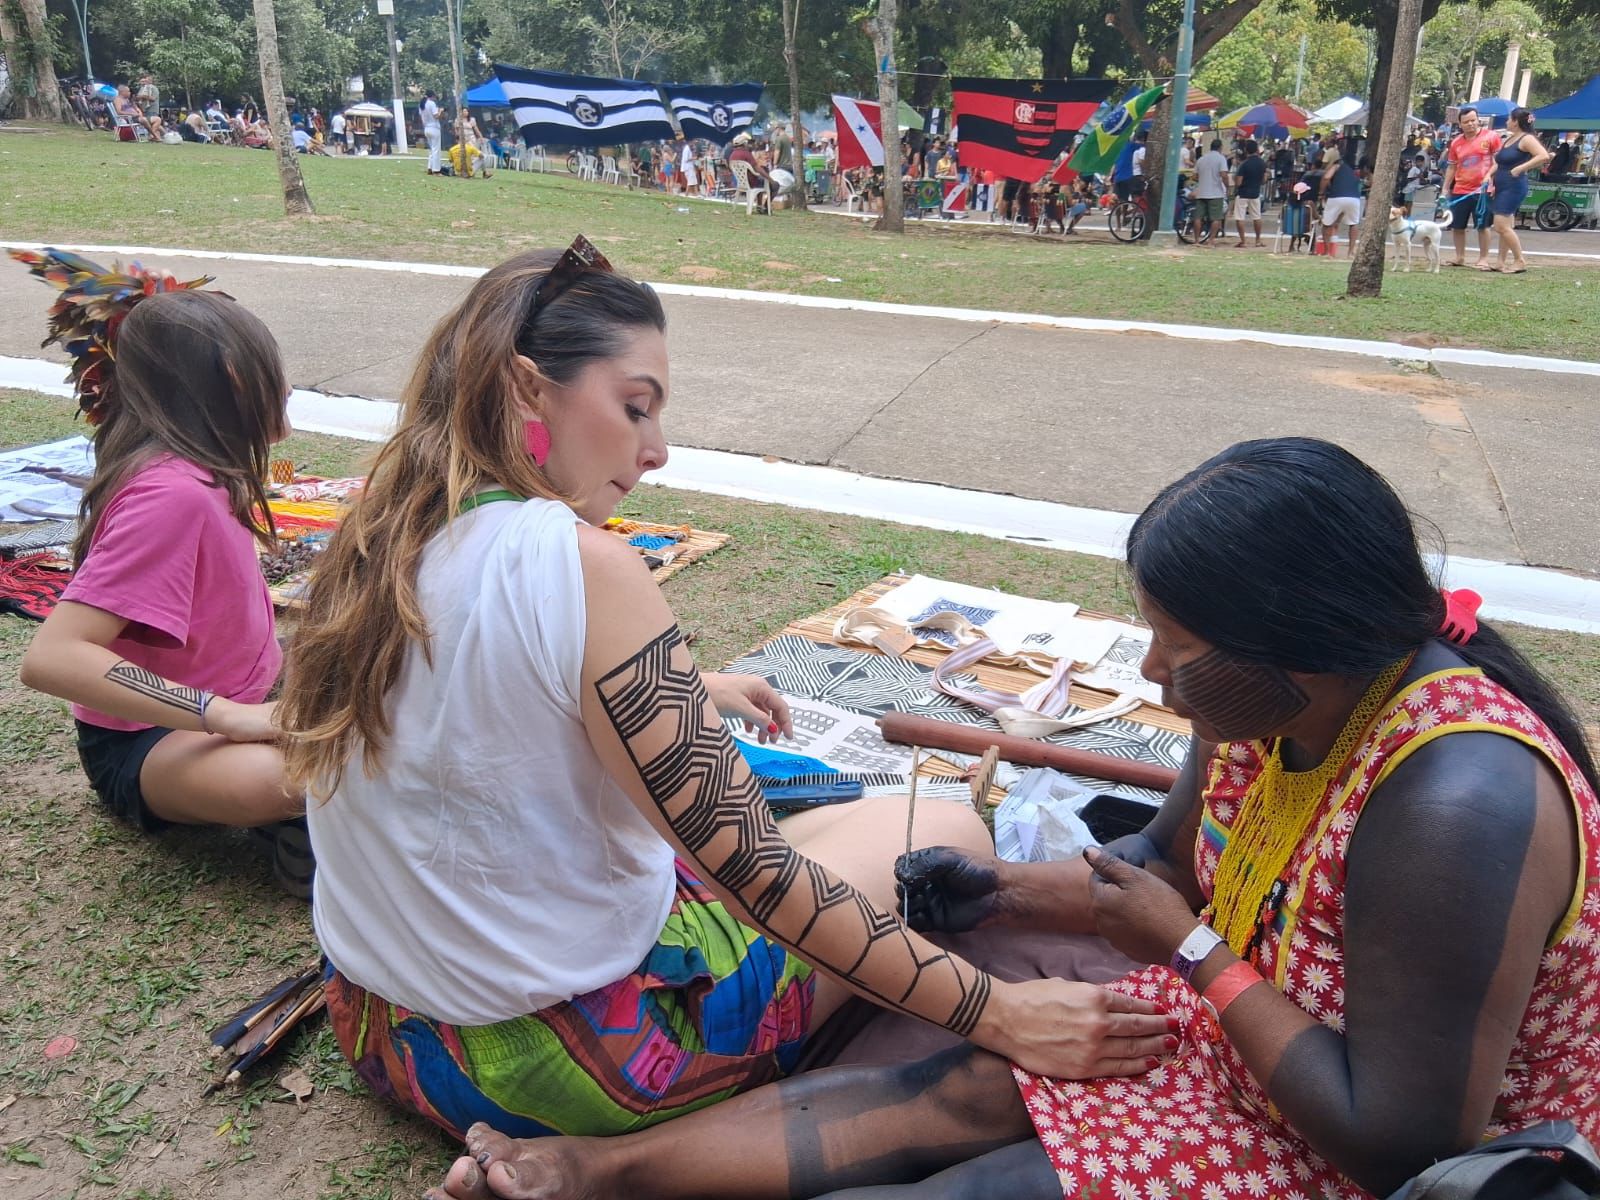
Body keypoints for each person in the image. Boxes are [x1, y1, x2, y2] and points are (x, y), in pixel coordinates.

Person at [426, 435, 1600, 1200]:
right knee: (962, 1080)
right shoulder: (1270, 707)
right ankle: (602, 1173)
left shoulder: (1459, 805)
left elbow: (1399, 1139)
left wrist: (1190, 955)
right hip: (1259, 1033)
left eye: (1179, 651)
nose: (1150, 675)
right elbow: (1166, 864)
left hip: (1361, 1137)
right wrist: (999, 891)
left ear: (1296, 643)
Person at [279, 240, 1163, 1144]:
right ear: (524, 388)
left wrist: (691, 686)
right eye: (634, 408)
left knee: (791, 827)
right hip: (565, 1062)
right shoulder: (581, 564)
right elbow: (760, 876)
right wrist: (1004, 1015)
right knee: (942, 823)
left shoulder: (385, 536)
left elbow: (483, 685)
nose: (655, 451)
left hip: (383, 1025)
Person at [12, 252, 312, 898]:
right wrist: (224, 714)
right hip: (146, 743)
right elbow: (52, 658)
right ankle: (305, 826)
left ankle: (313, 821)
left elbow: (275, 479)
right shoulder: (171, 496)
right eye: (274, 374)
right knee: (322, 769)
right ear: (235, 379)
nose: (285, 388)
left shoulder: (214, 464)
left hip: (243, 696)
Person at [1489, 107, 1551, 275]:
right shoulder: (1509, 139)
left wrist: (1521, 168)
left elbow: (1543, 156)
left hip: (1513, 186)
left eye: (1510, 118)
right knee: (1506, 225)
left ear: (1516, 122)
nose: (1507, 121)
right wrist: (1489, 176)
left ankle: (1519, 260)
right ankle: (1500, 261)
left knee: (1500, 225)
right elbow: (1499, 163)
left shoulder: (1526, 139)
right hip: (1501, 185)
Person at [1441, 107, 1501, 269]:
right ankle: (1459, 256)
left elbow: (1498, 162)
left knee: (1483, 225)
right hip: (1460, 189)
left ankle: (1483, 258)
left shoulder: (1491, 137)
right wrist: (1445, 189)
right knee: (1457, 226)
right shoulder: (1456, 143)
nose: (1471, 124)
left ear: (1478, 119)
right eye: (1466, 122)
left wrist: (1489, 177)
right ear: (1460, 124)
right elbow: (1452, 167)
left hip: (1482, 191)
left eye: (1473, 120)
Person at [1319, 148, 1363, 257]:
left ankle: (1327, 252)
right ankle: (1351, 252)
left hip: (1336, 196)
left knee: (1327, 224)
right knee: (1353, 223)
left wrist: (1321, 192)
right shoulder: (1355, 171)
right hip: (1354, 198)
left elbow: (1326, 177)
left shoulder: (1337, 166)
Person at [1191, 138, 1229, 244]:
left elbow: (1194, 176)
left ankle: (1197, 240)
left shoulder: (1201, 159)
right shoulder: (1221, 159)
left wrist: (1203, 179)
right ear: (1220, 148)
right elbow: (1224, 175)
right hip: (1216, 192)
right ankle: (1211, 240)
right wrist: (1227, 186)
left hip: (1202, 191)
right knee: (1216, 218)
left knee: (1198, 217)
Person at [1231, 139, 1267, 247]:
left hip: (1243, 193)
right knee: (1257, 216)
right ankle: (1258, 240)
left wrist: (1234, 178)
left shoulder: (1244, 164)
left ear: (1246, 150)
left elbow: (1238, 182)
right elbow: (1264, 180)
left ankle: (1243, 241)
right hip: (1255, 192)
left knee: (1240, 217)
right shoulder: (1262, 163)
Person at [422, 90, 443, 176]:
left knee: (432, 149)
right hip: (434, 128)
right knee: (436, 150)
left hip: (427, 128)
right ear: (432, 96)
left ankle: (430, 167)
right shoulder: (431, 103)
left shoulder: (422, 105)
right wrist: (440, 111)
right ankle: (436, 170)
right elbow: (436, 116)